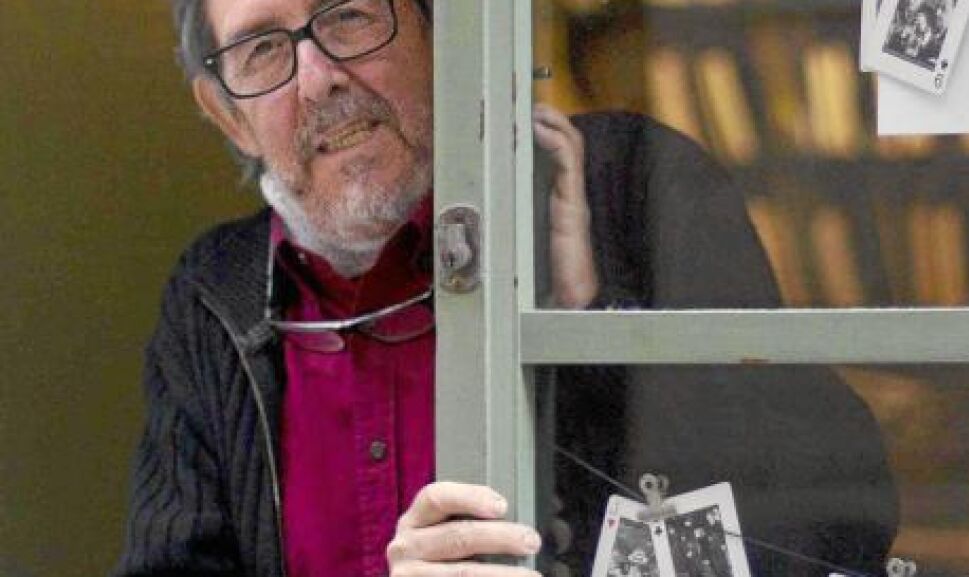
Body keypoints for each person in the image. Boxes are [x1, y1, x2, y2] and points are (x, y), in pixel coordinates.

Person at [114, 1, 898, 576]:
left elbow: (845, 516)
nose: (319, 79)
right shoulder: (213, 296)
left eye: (349, 15)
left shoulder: (627, 187)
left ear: (441, 30)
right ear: (228, 115)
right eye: (261, 49)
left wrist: (600, 327)